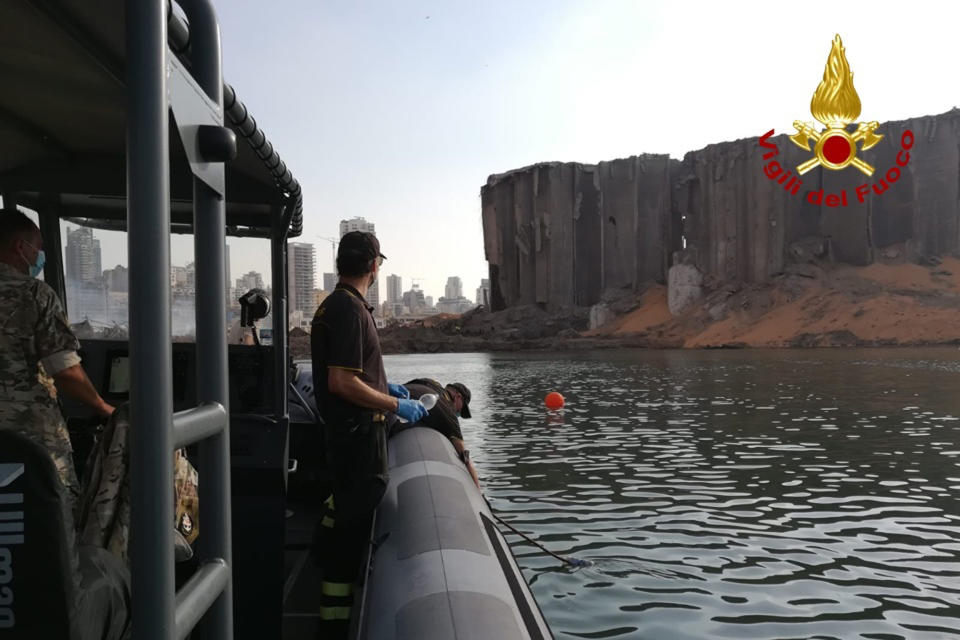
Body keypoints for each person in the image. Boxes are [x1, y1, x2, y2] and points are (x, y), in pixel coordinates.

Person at [310, 230, 428, 637]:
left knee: (343, 530)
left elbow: (351, 374)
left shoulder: (338, 306)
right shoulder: (348, 309)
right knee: (347, 544)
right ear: (374, 265)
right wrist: (397, 404)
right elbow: (341, 382)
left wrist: (383, 387)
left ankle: (332, 617)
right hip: (358, 441)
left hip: (349, 438)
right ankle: (335, 631)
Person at [0, 208, 114, 517]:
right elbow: (64, 371)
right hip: (29, 441)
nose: (40, 257)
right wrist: (105, 410)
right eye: (37, 248)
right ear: (19, 248)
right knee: (53, 521)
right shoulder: (34, 294)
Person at [400, 378, 480, 488]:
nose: (459, 414)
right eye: (461, 410)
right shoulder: (447, 411)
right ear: (458, 397)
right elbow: (465, 457)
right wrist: (479, 492)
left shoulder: (430, 383)